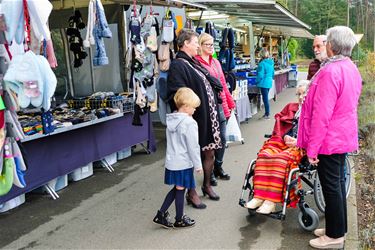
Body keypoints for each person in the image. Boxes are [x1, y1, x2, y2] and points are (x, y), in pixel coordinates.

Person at [297, 26, 362, 249]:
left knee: (331, 187)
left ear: (332, 45)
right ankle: (338, 228)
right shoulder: (350, 67)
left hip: (329, 139)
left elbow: (321, 114)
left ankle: (334, 237)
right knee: (337, 184)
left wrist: (312, 149)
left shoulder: (329, 72)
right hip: (342, 136)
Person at [167, 29, 222, 209]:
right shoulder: (178, 65)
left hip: (207, 117)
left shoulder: (191, 62)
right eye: (195, 42)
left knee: (209, 152)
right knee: (191, 156)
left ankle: (206, 185)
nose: (198, 45)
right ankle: (191, 192)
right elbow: (177, 94)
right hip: (195, 118)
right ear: (185, 43)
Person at [244, 81, 308, 214]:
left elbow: (317, 135)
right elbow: (283, 128)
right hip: (285, 143)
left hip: (303, 147)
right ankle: (259, 196)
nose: (301, 97)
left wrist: (298, 141)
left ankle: (271, 201)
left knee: (281, 159)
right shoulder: (292, 107)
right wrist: (285, 136)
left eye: (305, 93)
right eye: (299, 94)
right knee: (264, 154)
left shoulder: (316, 111)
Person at [153, 87, 203, 229]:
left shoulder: (172, 119)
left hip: (172, 161)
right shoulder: (190, 123)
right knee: (180, 189)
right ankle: (178, 218)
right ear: (186, 107)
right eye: (193, 107)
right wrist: (198, 165)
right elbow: (193, 146)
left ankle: (162, 214)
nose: (195, 110)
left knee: (178, 188)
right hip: (183, 162)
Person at [195, 33, 235, 186]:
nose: (212, 47)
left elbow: (223, 85)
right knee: (209, 142)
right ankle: (209, 172)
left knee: (223, 139)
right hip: (207, 107)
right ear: (201, 45)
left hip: (220, 105)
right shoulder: (197, 63)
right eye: (208, 45)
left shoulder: (216, 63)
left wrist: (230, 103)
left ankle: (218, 165)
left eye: (213, 45)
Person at [256, 49, 275, 120]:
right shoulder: (271, 63)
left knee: (265, 99)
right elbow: (273, 73)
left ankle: (267, 114)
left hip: (263, 83)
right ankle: (267, 113)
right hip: (269, 82)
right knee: (266, 98)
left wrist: (256, 81)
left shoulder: (262, 64)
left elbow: (260, 75)